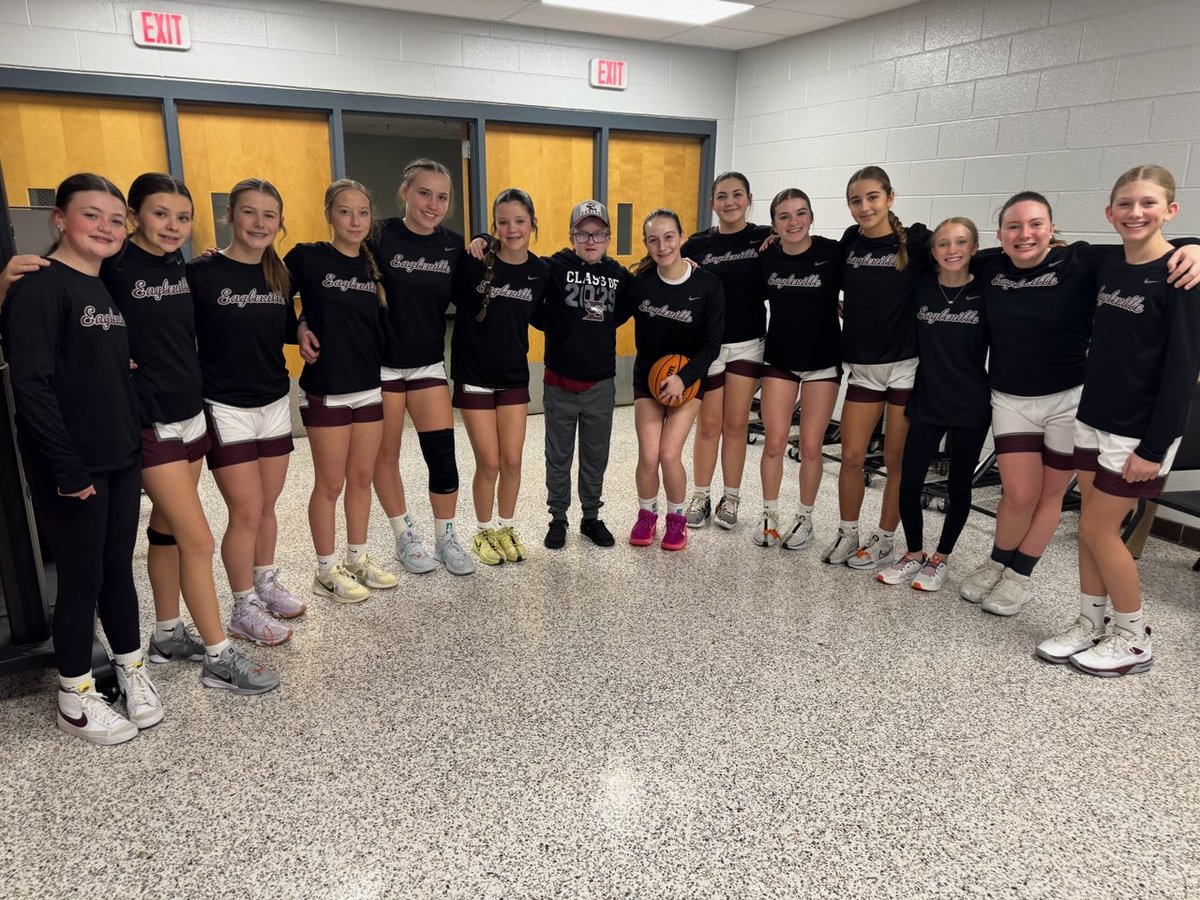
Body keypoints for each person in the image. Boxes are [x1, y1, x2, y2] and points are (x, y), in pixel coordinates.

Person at [959, 193, 1200, 616]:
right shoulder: (989, 266)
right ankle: (997, 561)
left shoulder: (1083, 261)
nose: (1025, 234)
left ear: (1052, 229)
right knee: (1017, 494)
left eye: (1035, 224)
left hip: (1069, 400)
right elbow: (940, 253)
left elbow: (1147, 243)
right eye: (1013, 227)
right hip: (1011, 398)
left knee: (1050, 494)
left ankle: (1019, 578)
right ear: (999, 235)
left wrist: (1194, 245)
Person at [104, 173, 282, 692]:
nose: (173, 226)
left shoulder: (183, 268)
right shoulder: (114, 268)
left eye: (182, 217)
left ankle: (165, 635)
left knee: (164, 528)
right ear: (136, 215)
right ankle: (218, 656)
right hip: (149, 418)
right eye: (161, 214)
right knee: (197, 539)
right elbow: (65, 292)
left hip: (191, 413)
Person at [0, 174, 157, 743]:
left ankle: (129, 670)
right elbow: (33, 387)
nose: (107, 228)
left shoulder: (102, 285)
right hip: (74, 468)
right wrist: (67, 469)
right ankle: (74, 694)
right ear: (60, 220)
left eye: (117, 219)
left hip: (119, 454)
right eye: (92, 215)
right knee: (81, 578)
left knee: (118, 569)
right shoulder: (41, 288)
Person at [1036, 165, 1200, 675]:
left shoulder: (1182, 276)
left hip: (1139, 430)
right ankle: (1091, 622)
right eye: (1125, 204)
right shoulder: (1109, 265)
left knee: (1099, 529)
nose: (1135, 213)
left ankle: (1133, 637)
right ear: (1110, 213)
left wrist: (1154, 448)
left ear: (1170, 210)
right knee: (1089, 529)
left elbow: (1183, 370)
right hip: (1094, 416)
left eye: (1148, 203)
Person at [187, 178, 302, 649]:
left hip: (274, 399)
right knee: (246, 510)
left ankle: (264, 582)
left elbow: (284, 325)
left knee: (268, 507)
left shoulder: (280, 276)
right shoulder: (201, 274)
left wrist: (304, 328)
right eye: (249, 213)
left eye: (269, 215)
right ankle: (241, 606)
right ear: (230, 216)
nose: (259, 223)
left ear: (279, 223)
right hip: (225, 405)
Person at [288, 179, 397, 603]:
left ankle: (357, 557)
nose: (354, 221)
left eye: (363, 213)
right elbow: (267, 289)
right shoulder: (308, 258)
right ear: (328, 214)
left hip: (369, 386)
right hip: (327, 388)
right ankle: (324, 569)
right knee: (329, 483)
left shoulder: (375, 266)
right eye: (345, 211)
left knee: (362, 478)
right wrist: (297, 327)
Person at [823, 165, 932, 572]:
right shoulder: (851, 241)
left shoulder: (917, 242)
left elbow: (964, 255)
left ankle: (885, 540)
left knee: (894, 459)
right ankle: (848, 531)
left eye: (872, 197)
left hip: (906, 366)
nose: (864, 206)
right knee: (851, 456)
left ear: (890, 197)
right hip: (864, 368)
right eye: (856, 200)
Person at [372, 159, 474, 576]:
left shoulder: (453, 245)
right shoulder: (378, 235)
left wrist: (484, 239)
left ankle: (446, 535)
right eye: (424, 193)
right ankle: (403, 536)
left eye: (442, 196)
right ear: (405, 193)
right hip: (381, 366)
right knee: (386, 455)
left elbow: (481, 285)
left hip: (428, 363)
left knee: (442, 456)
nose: (432, 203)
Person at [877, 217, 989, 592]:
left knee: (959, 484)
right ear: (933, 252)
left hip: (971, 403)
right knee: (910, 480)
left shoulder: (986, 291)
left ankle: (941, 558)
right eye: (943, 244)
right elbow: (914, 239)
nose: (952, 250)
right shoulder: (922, 288)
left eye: (961, 243)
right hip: (927, 398)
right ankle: (914, 553)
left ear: (975, 249)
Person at [451, 188, 549, 565]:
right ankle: (482, 532)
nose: (512, 229)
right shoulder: (473, 262)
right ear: (494, 226)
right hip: (474, 373)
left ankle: (506, 527)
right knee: (488, 461)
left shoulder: (540, 271)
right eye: (503, 222)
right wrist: (478, 237)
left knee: (512, 460)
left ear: (532, 224)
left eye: (520, 221)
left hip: (513, 376)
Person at [536, 200, 632, 549]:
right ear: (571, 235)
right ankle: (558, 518)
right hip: (559, 380)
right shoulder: (553, 267)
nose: (591, 240)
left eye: (598, 233)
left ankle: (590, 516)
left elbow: (624, 311)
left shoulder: (620, 276)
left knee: (595, 455)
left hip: (600, 382)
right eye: (583, 233)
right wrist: (561, 331)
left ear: (608, 237)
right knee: (558, 455)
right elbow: (531, 303)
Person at [628, 208, 724, 551]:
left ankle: (677, 520)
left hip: (690, 382)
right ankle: (646, 515)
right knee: (649, 453)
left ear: (683, 238)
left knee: (669, 453)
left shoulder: (708, 285)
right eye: (653, 240)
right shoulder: (640, 284)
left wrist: (684, 378)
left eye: (669, 237)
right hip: (649, 382)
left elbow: (712, 344)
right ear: (646, 244)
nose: (662, 245)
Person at [681, 172, 771, 531]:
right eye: (722, 196)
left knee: (736, 425)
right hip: (710, 347)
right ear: (712, 203)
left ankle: (731, 497)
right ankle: (700, 495)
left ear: (749, 198)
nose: (730, 202)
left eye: (737, 195)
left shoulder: (766, 238)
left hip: (749, 343)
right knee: (708, 425)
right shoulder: (697, 245)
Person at [755, 188, 843, 550]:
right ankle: (769, 515)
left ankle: (804, 518)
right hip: (780, 359)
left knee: (810, 445)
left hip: (823, 360)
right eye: (784, 216)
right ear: (774, 223)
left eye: (800, 213)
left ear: (811, 216)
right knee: (774, 442)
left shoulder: (832, 253)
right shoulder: (766, 257)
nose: (794, 222)